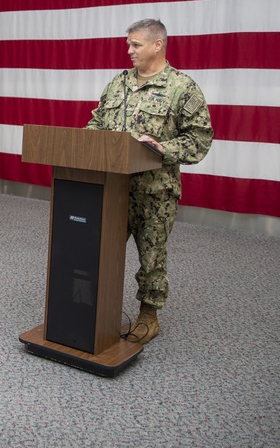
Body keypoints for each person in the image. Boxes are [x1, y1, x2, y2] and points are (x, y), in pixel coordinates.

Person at [85, 19, 213, 344]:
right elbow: (98, 122)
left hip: (155, 192)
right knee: (99, 249)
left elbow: (199, 140)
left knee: (151, 255)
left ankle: (148, 315)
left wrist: (164, 148)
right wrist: (82, 146)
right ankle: (96, 308)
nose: (129, 51)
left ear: (158, 45)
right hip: (113, 188)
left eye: (135, 45)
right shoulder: (118, 84)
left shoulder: (182, 87)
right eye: (128, 44)